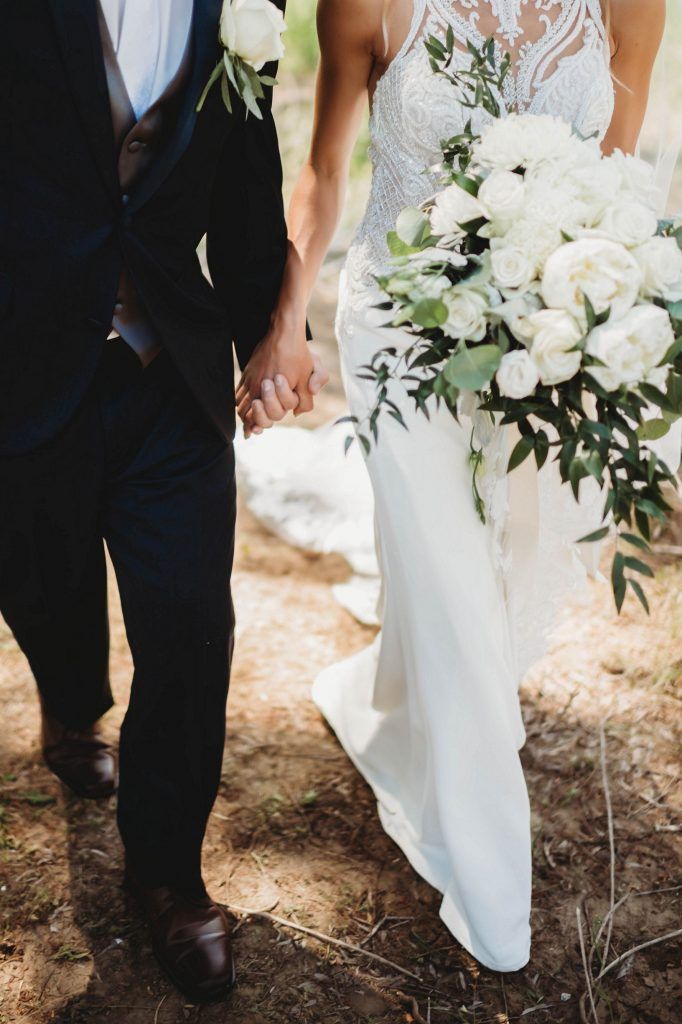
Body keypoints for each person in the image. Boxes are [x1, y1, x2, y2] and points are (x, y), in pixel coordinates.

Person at [237, 0, 667, 971]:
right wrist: (286, 324)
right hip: (401, 337)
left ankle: (388, 701)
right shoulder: (369, 4)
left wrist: (601, 310)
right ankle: (490, 892)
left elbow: (617, 166)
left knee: (498, 575)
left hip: (544, 331)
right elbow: (324, 173)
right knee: (457, 598)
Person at [0, 0, 326, 1003]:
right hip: (21, 362)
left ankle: (169, 874)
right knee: (39, 578)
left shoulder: (247, 5)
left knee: (190, 623)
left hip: (168, 372)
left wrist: (272, 333)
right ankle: (70, 702)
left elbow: (245, 181)